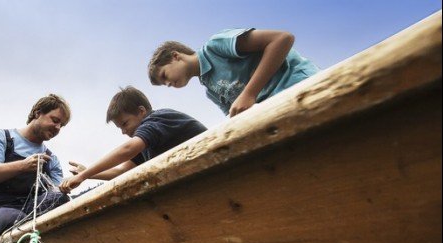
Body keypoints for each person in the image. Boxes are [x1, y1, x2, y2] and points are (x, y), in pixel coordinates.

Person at [59, 86, 206, 192]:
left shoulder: (157, 119)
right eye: (120, 128)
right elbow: (123, 171)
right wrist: (89, 174)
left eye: (125, 123)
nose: (123, 131)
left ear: (141, 111)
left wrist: (85, 174)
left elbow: (128, 149)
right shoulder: (148, 142)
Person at [148, 29, 319, 117]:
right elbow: (236, 116)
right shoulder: (211, 91)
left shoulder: (215, 46)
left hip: (303, 89)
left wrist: (249, 93)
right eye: (165, 85)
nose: (168, 84)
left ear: (176, 56)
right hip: (278, 112)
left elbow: (282, 38)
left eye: (164, 76)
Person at [0, 94, 72, 240]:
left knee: (62, 198)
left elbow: (56, 192)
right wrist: (23, 166)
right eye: (55, 120)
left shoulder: (51, 158)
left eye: (62, 125)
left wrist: (70, 183)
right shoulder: (1, 138)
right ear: (37, 113)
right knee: (16, 219)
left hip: (35, 209)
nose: (58, 128)